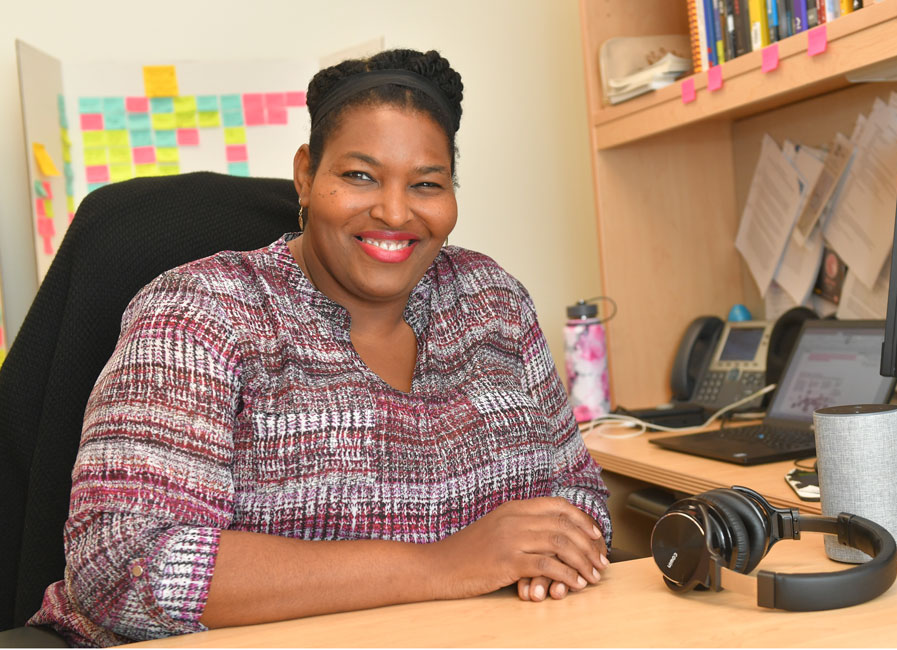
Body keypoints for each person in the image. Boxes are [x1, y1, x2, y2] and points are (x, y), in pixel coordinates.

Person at [28, 49, 611, 646]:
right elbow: (123, 567)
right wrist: (444, 565)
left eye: (427, 184)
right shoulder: (201, 311)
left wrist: (548, 564)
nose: (393, 211)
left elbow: (579, 494)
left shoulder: (493, 302)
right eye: (360, 176)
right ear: (306, 175)